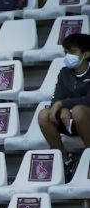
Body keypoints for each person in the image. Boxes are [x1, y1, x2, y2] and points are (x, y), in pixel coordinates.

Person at [38, 33, 90, 177]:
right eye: (66, 52)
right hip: (69, 121)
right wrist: (62, 108)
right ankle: (65, 162)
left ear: (86, 54)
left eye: (72, 52)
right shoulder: (64, 72)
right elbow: (56, 98)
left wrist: (65, 104)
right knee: (44, 115)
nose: (68, 55)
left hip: (86, 119)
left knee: (79, 111)